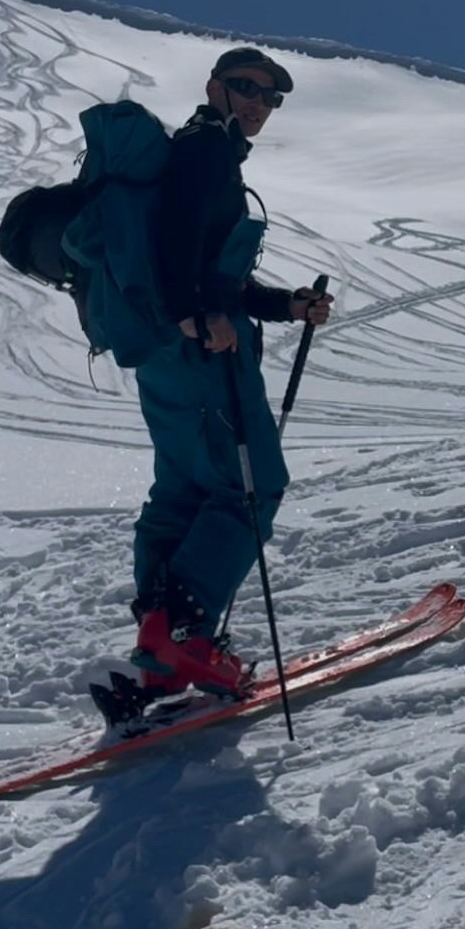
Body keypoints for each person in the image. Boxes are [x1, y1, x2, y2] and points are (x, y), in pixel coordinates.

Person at [130, 46, 332, 698]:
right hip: (203, 352)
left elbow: (221, 275)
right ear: (214, 85)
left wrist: (288, 304)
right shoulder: (206, 150)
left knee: (184, 490)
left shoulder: (193, 151)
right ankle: (184, 631)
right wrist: (197, 314)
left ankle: (161, 646)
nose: (256, 103)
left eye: (269, 97)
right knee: (254, 486)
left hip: (160, 352)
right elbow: (175, 240)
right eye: (245, 87)